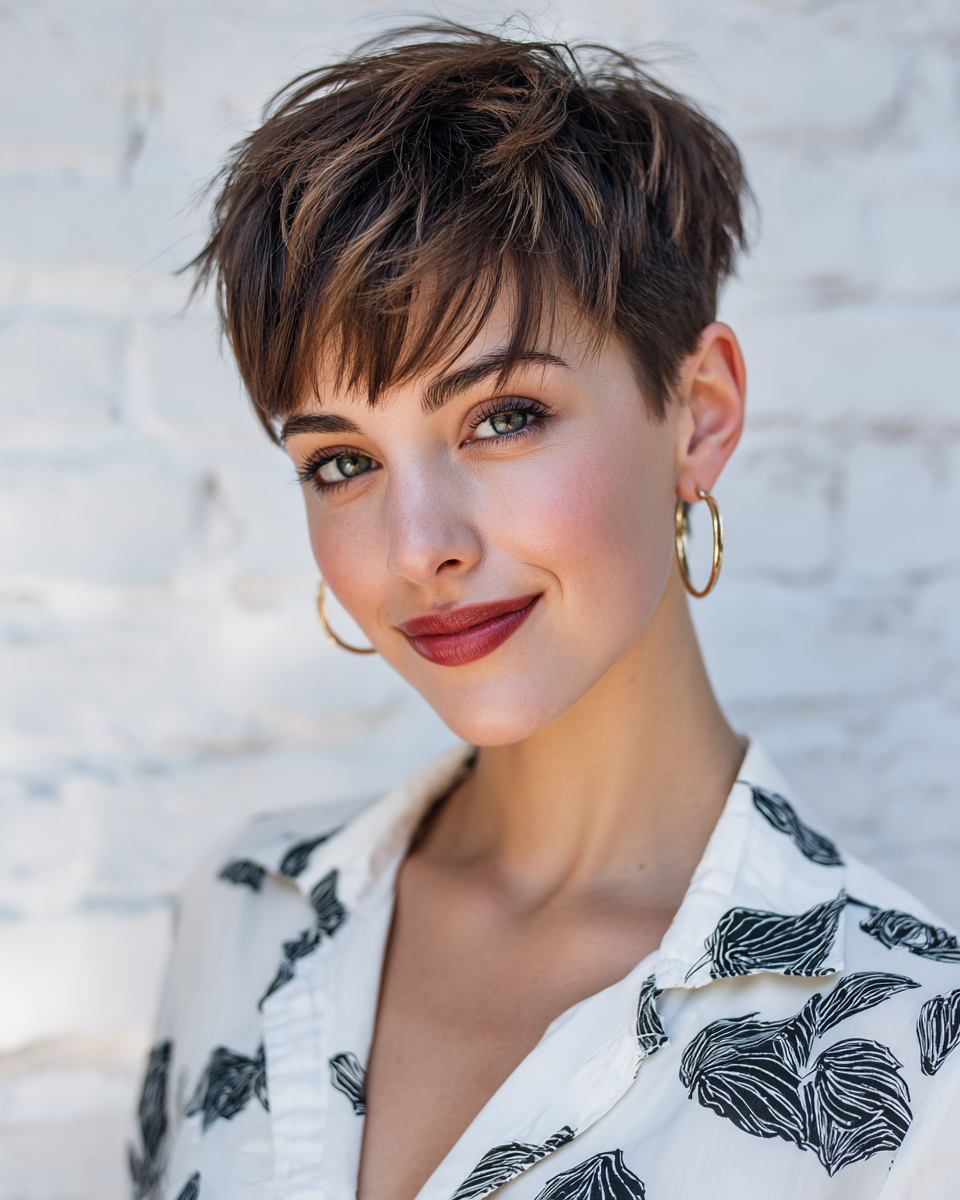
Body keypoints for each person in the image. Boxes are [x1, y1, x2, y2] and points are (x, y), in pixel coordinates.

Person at [128, 25, 960, 1200]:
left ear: (701, 412)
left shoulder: (916, 1059)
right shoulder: (247, 909)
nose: (419, 548)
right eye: (341, 463)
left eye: (503, 416)